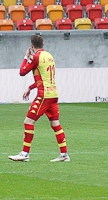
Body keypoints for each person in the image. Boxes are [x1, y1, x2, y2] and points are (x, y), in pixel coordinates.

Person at [9, 34, 70, 162]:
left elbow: (22, 72)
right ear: (43, 44)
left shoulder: (35, 57)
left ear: (32, 46)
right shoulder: (49, 56)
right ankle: (64, 154)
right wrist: (30, 87)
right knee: (55, 124)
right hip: (53, 94)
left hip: (44, 95)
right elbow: (45, 78)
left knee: (28, 122)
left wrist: (26, 57)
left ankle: (25, 154)